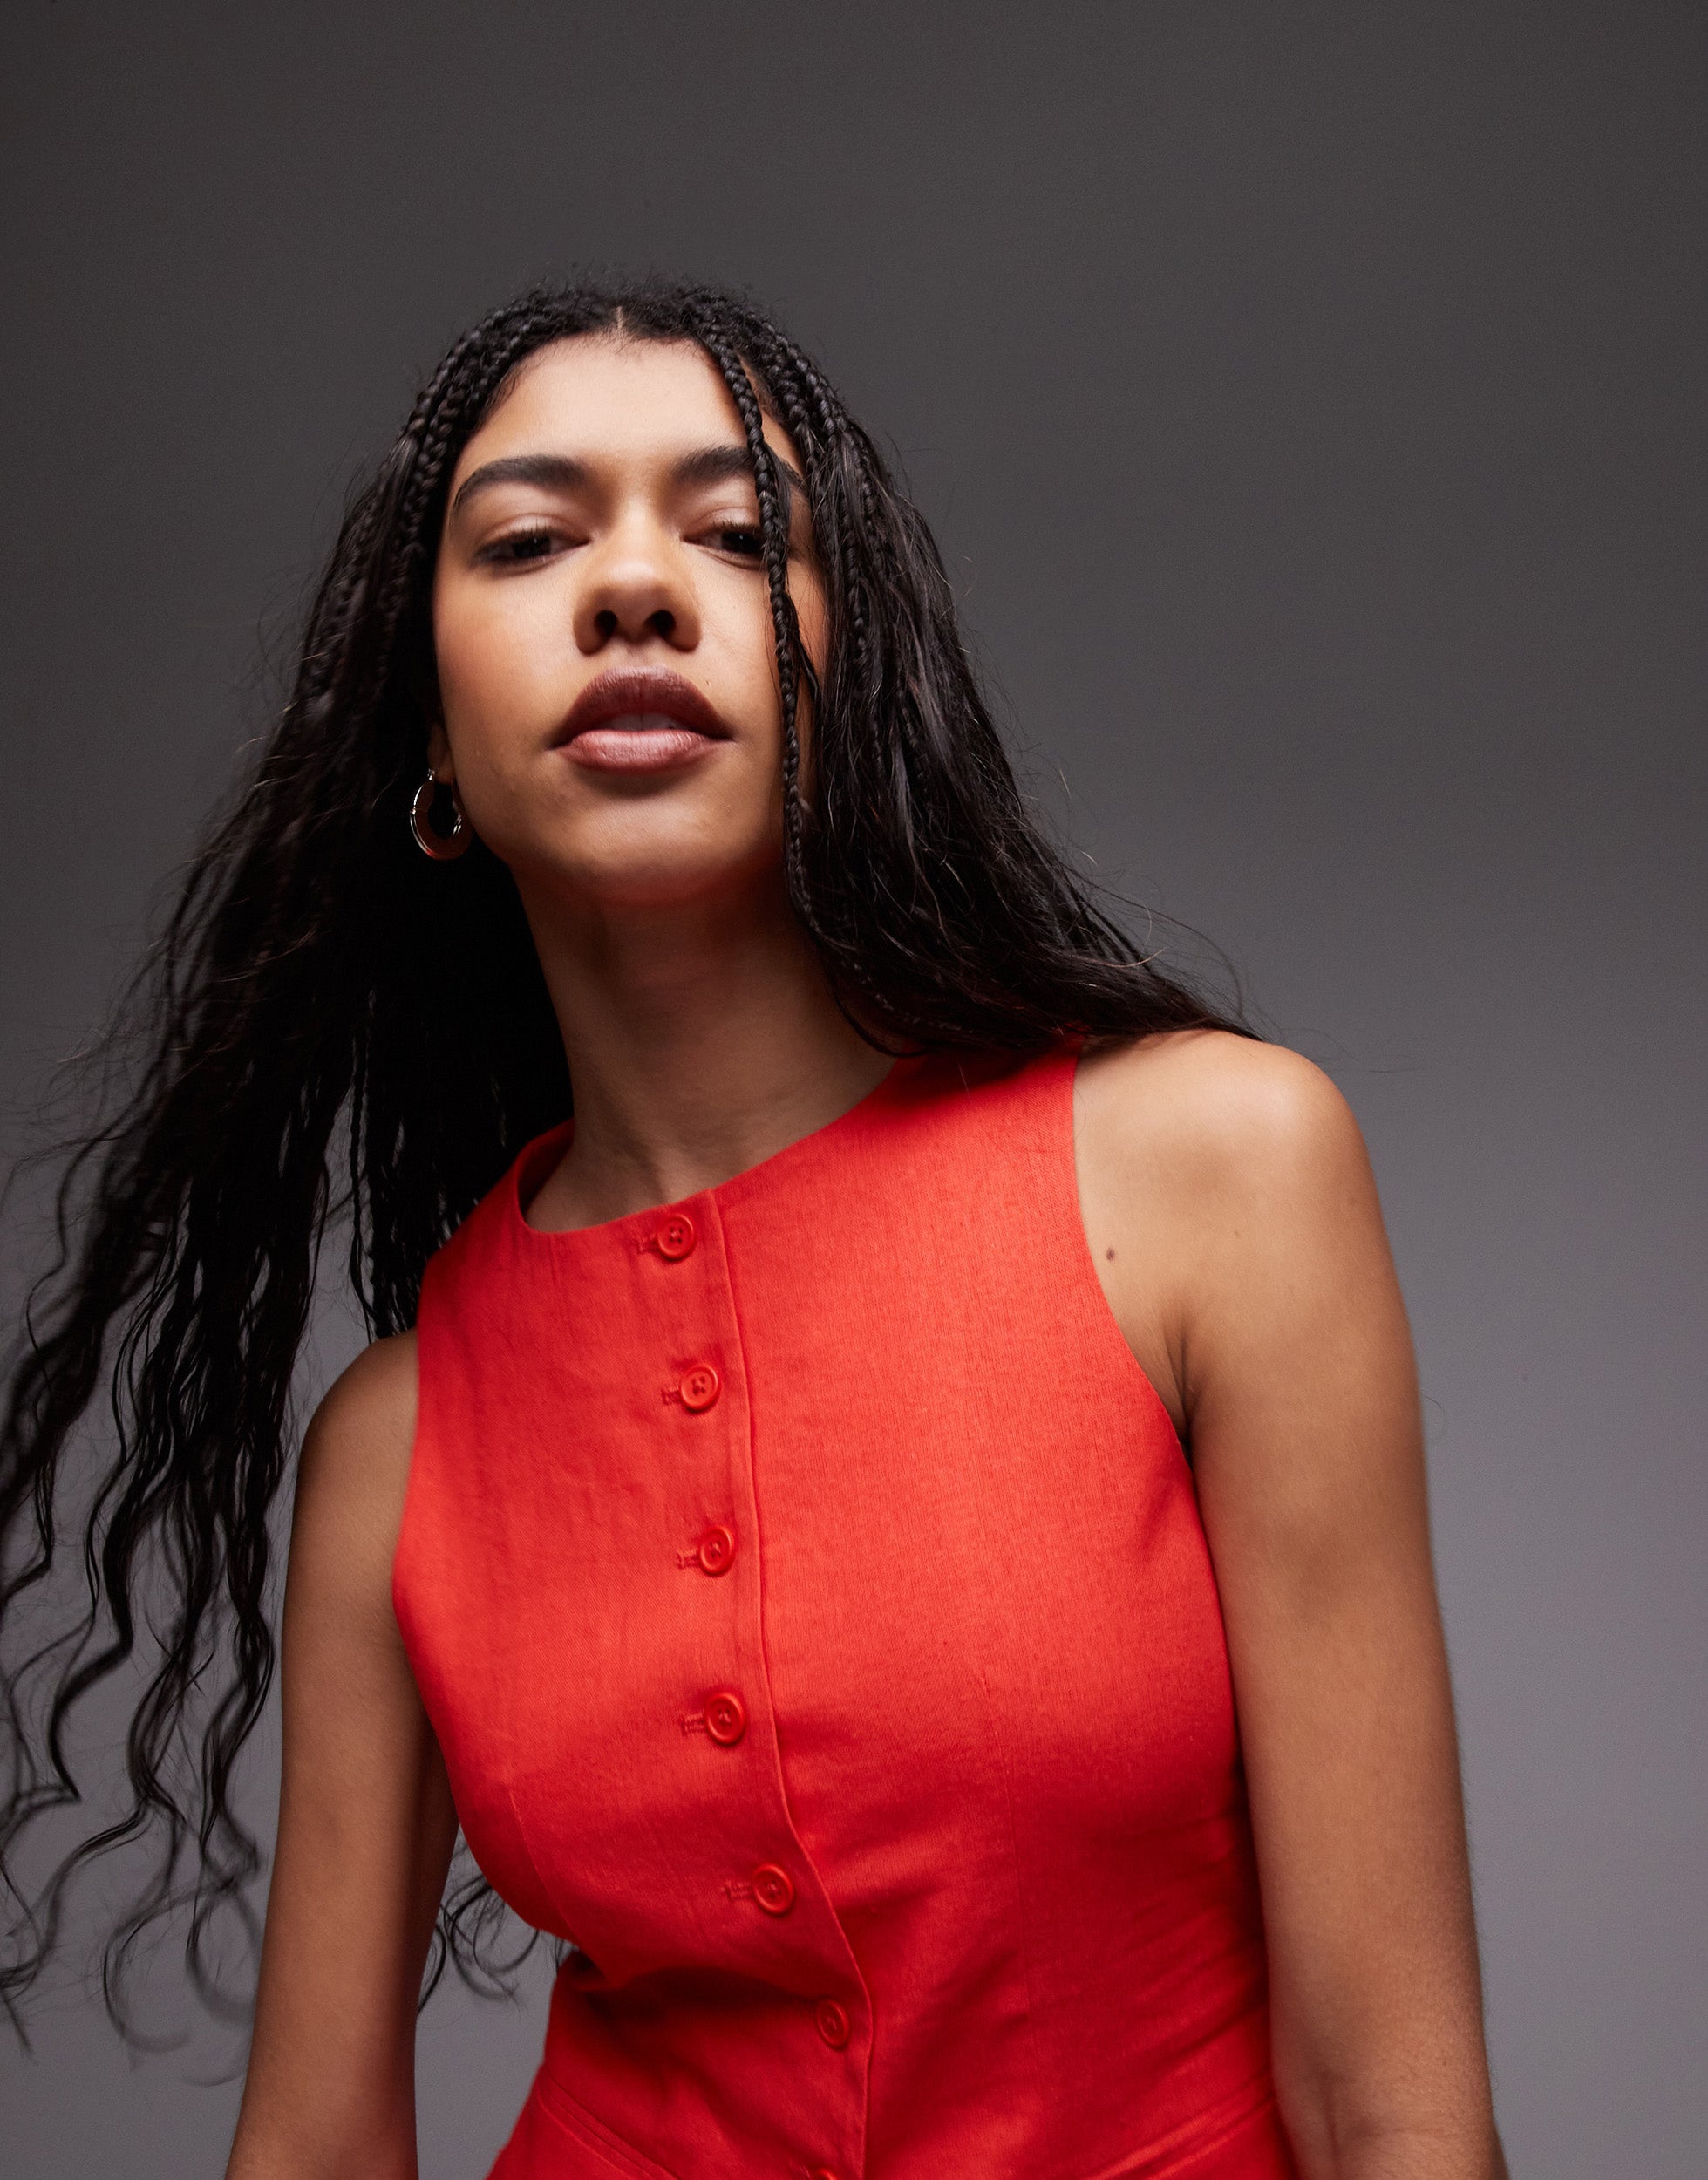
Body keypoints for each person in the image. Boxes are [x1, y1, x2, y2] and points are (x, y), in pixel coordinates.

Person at [0, 282, 1507, 2179]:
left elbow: (1394, 2108)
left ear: (843, 683)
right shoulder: (396, 1446)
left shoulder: (1215, 1172)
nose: (635, 588)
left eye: (735, 533)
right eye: (529, 542)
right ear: (430, 742)